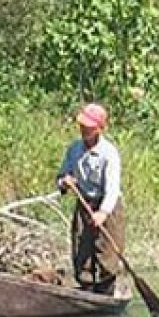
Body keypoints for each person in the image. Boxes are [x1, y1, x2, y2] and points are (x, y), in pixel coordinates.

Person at [56, 102, 125, 295]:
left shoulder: (109, 154)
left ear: (100, 129)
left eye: (88, 127)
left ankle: (106, 292)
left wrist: (102, 213)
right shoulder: (74, 149)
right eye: (82, 126)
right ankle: (86, 292)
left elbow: (112, 189)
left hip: (107, 207)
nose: (83, 129)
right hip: (84, 203)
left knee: (107, 254)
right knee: (82, 252)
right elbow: (62, 177)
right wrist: (64, 182)